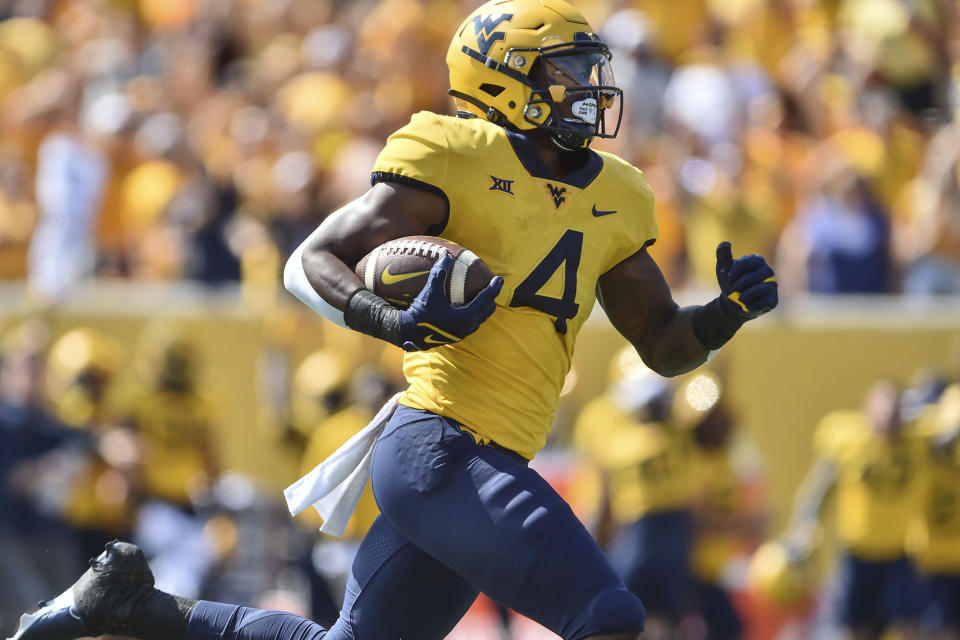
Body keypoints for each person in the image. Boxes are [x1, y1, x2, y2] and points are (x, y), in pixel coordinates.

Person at [9, 1, 777, 639]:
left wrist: (723, 315)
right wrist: (390, 319)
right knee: (607, 615)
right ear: (505, 81)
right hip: (438, 449)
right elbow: (309, 259)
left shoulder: (621, 193)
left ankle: (128, 606)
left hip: (484, 456)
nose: (588, 86)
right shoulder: (455, 153)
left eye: (588, 69)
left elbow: (665, 348)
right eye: (565, 70)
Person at [786, 380, 924, 640]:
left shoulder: (916, 443)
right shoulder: (849, 441)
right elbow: (820, 487)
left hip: (900, 552)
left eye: (895, 414)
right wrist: (805, 522)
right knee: (857, 626)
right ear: (867, 411)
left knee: (908, 624)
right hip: (858, 553)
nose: (889, 422)